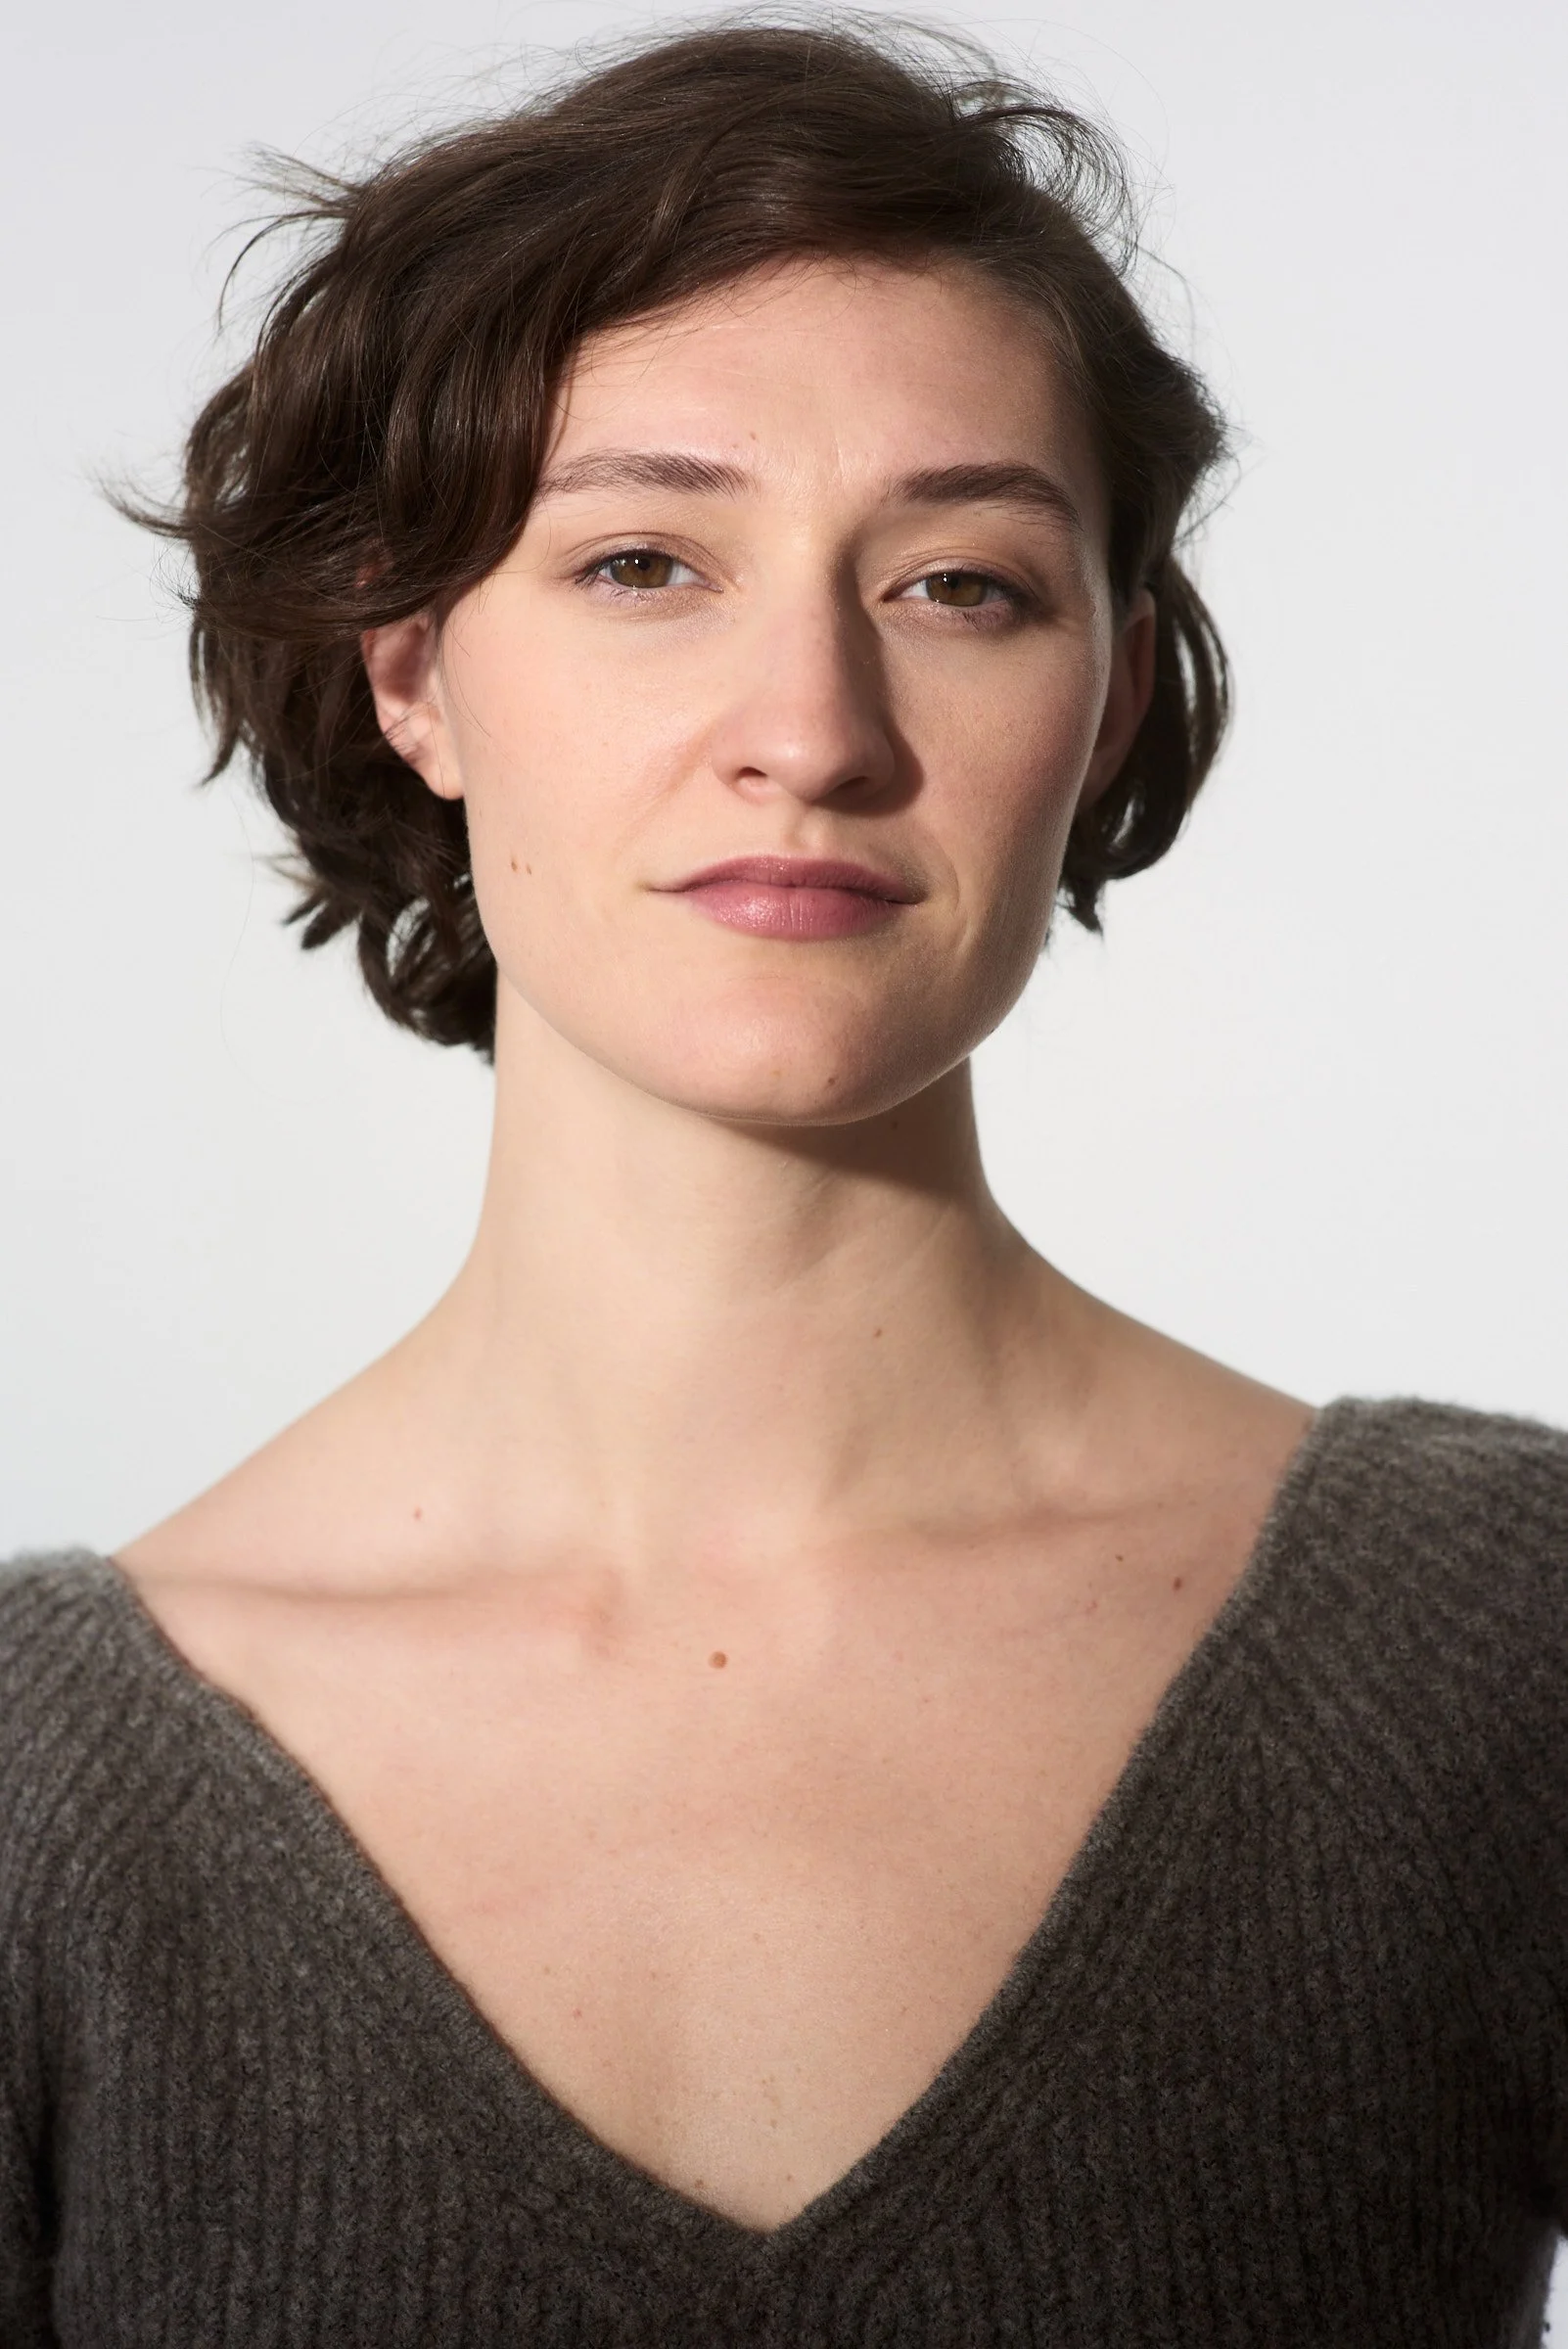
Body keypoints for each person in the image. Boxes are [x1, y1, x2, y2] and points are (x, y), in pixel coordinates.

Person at [2, 20, 1565, 2345]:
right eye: (646, 561)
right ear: (416, 675)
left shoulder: (1503, 1653)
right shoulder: (44, 1814)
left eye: (962, 584)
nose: (813, 728)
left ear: (1112, 697)